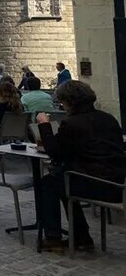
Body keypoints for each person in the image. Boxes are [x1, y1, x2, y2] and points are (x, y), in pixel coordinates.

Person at [37, 81, 126, 253]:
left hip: (95, 183)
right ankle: (81, 237)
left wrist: (44, 125)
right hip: (117, 181)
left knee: (48, 183)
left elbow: (55, 152)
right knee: (60, 179)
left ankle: (53, 237)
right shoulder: (108, 119)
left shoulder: (73, 124)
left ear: (69, 102)